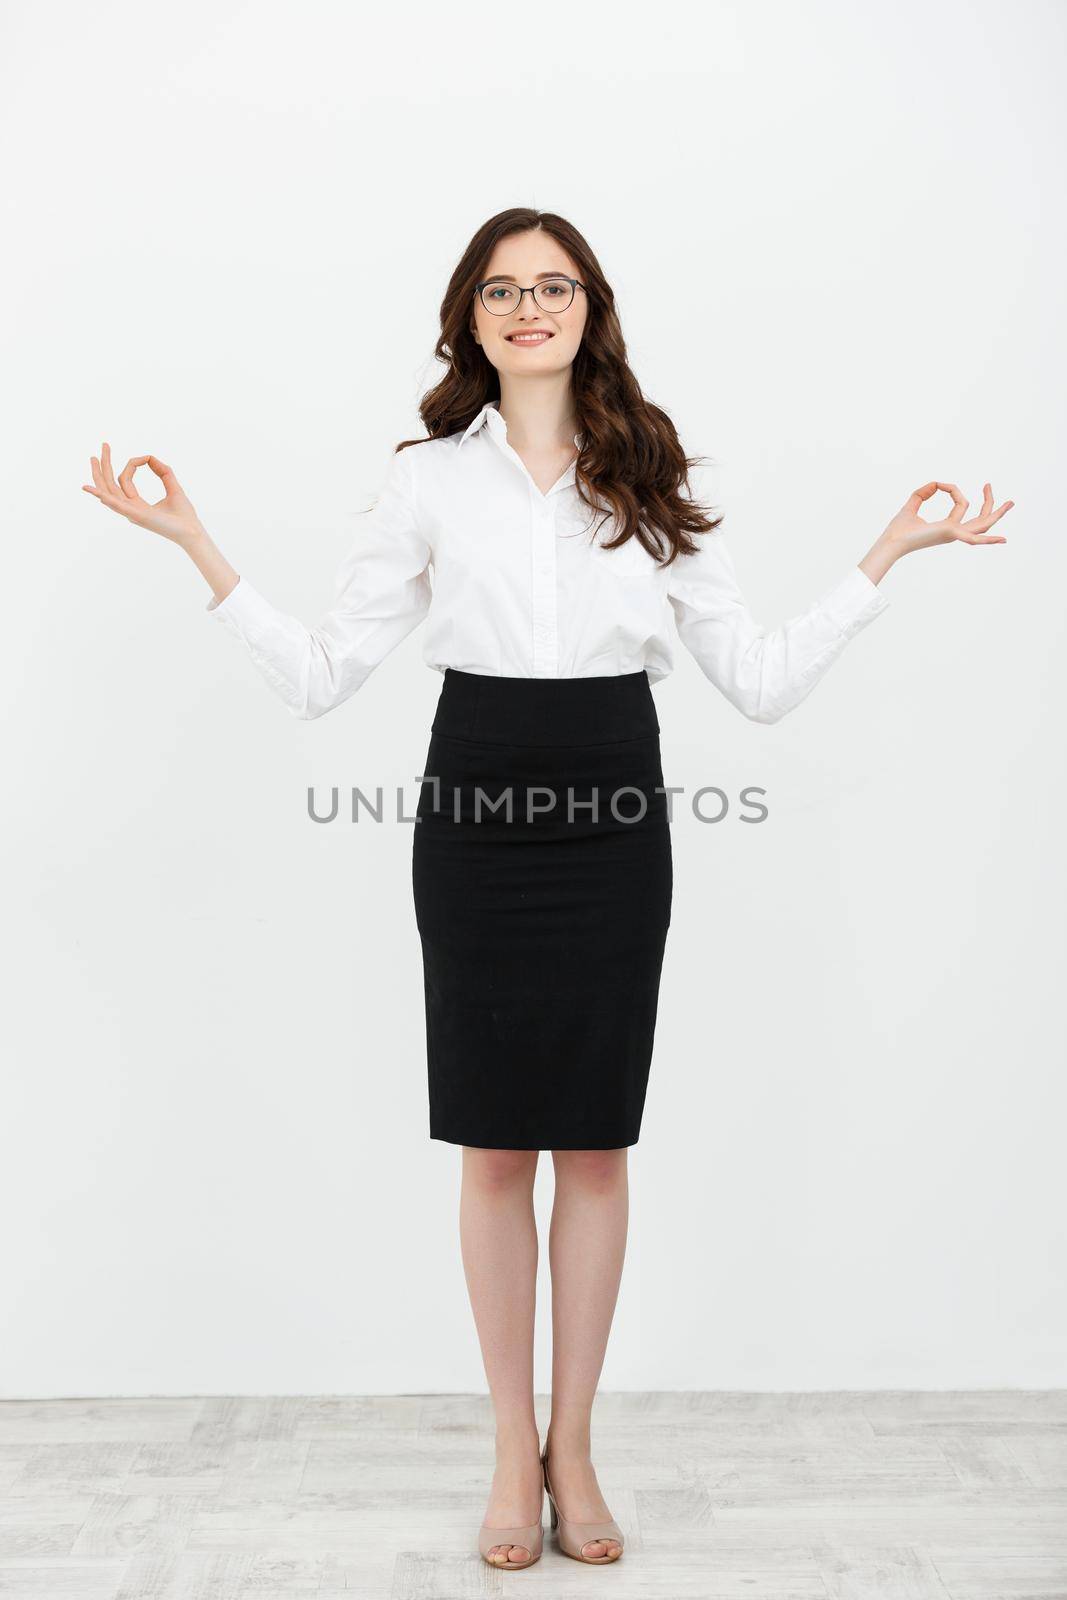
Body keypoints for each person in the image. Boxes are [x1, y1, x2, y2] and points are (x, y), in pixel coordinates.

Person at [82, 207, 1013, 1571]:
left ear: (590, 307)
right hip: (475, 806)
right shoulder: (425, 485)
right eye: (504, 288)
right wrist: (197, 545)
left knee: (593, 1140)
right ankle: (507, 1447)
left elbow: (754, 680)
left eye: (555, 285)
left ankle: (574, 1443)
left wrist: (881, 562)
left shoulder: (648, 470)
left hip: (614, 809)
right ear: (469, 316)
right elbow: (323, 673)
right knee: (495, 1143)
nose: (531, 306)